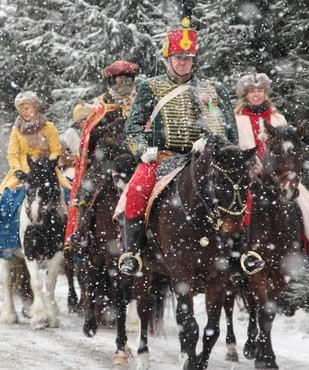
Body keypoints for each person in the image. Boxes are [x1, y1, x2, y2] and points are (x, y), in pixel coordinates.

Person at [116, 19, 264, 276]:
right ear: (168, 58)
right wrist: (142, 150)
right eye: (178, 57)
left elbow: (227, 130)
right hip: (162, 157)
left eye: (188, 58)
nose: (183, 62)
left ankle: (243, 251)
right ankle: (133, 252)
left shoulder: (212, 89)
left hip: (206, 157)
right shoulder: (150, 87)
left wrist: (210, 142)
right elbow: (133, 127)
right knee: (138, 189)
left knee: (241, 189)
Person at [234, 71, 309, 268]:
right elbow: (236, 147)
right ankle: (235, 251)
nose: (256, 95)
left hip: (277, 174)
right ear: (245, 95)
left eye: (260, 91)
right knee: (235, 204)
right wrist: (251, 166)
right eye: (251, 92)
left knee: (303, 198)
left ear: (266, 93)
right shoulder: (237, 119)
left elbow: (288, 149)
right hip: (248, 173)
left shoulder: (278, 118)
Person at [0, 91, 72, 259]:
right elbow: (12, 153)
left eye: (27, 107)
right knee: (6, 200)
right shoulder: (16, 130)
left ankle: (69, 241)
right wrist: (18, 170)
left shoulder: (48, 126)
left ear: (35, 108)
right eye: (21, 109)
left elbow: (56, 148)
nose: (24, 111)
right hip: (23, 170)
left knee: (69, 196)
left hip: (47, 170)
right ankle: (7, 243)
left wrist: (48, 164)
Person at [64, 60, 140, 250]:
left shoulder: (141, 100)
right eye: (120, 79)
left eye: (128, 78)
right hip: (109, 155)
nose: (124, 83)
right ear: (112, 81)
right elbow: (90, 133)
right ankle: (81, 229)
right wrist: (110, 129)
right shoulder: (102, 103)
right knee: (90, 183)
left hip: (137, 153)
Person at [59, 102, 92, 179]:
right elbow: (64, 155)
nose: (84, 122)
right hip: (75, 166)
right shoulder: (71, 133)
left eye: (85, 119)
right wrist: (74, 162)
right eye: (81, 120)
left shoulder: (93, 131)